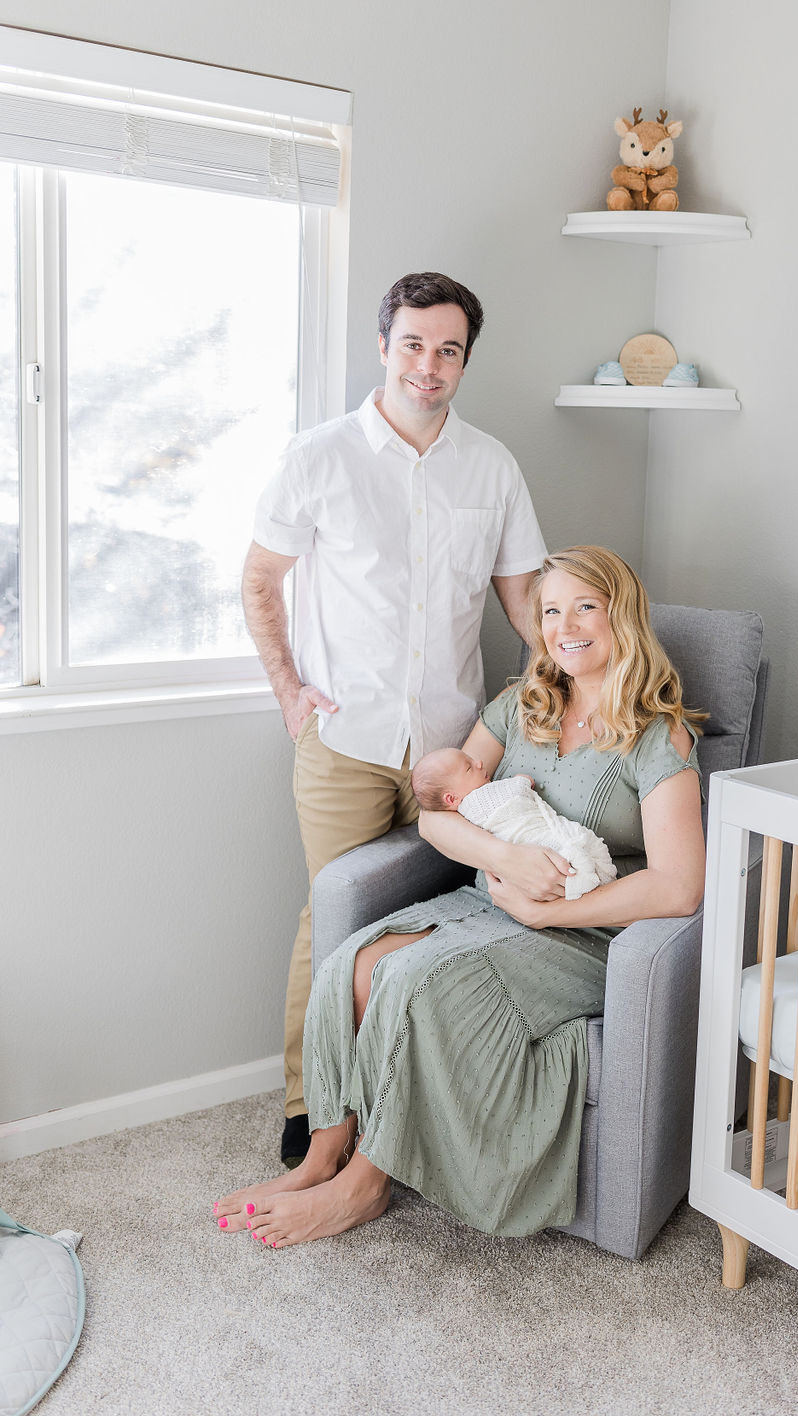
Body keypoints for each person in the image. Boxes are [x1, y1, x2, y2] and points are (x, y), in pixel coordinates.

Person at [214, 545, 706, 1246]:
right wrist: (502, 857)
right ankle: (326, 1154)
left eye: (585, 606)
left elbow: (681, 885)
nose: (567, 625)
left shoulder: (661, 736)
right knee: (354, 964)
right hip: (488, 900)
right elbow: (439, 815)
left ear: (621, 615)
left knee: (415, 979)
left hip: (588, 935)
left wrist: (552, 909)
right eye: (552, 610)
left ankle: (365, 1186)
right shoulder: (520, 706)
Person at [242, 272, 547, 1167]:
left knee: (450, 912)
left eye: (448, 349)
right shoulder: (320, 456)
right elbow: (261, 581)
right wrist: (289, 691)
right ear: (384, 347)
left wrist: (544, 697)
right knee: (331, 917)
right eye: (413, 344)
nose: (429, 365)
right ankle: (312, 1103)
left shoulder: (492, 466)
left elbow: (526, 600)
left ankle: (408, 1102)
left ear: (464, 361)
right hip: (345, 746)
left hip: (454, 751)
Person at [410, 747, 618, 899]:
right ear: (451, 799)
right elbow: (514, 791)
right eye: (469, 768)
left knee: (569, 855)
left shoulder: (463, 816)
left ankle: (586, 879)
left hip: (518, 871)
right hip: (530, 843)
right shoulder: (478, 800)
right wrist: (522, 779)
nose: (479, 763)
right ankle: (590, 876)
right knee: (572, 845)